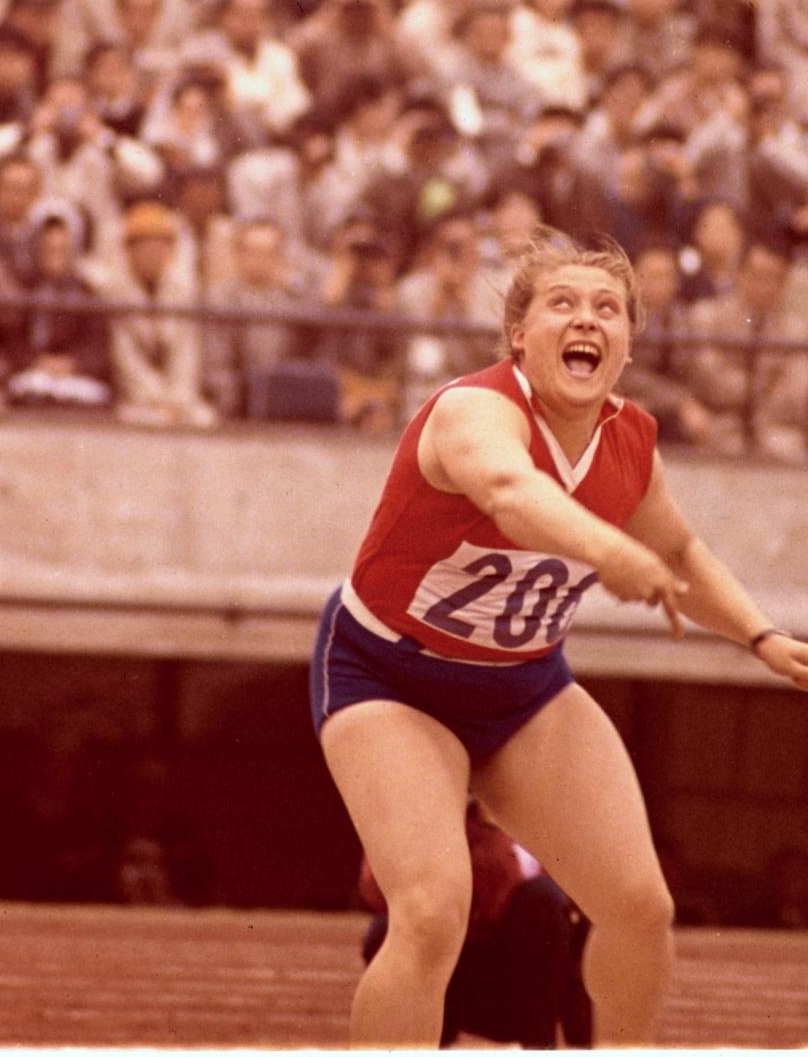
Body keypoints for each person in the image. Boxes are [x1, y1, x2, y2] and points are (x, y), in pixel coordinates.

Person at [310, 230, 808, 1047]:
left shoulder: (629, 440)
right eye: (564, 304)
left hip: (521, 687)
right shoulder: (474, 409)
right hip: (391, 677)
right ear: (519, 334)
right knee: (434, 911)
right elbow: (509, 492)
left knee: (641, 908)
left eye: (607, 309)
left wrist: (757, 635)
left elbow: (680, 551)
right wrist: (608, 548)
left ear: (627, 344)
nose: (587, 320)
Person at [360, 798, 591, 1049]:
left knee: (544, 901)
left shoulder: (537, 794)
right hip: (455, 973)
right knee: (385, 932)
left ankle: (542, 1044)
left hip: (520, 976)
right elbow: (374, 888)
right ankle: (424, 1040)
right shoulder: (419, 796)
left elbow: (564, 884)